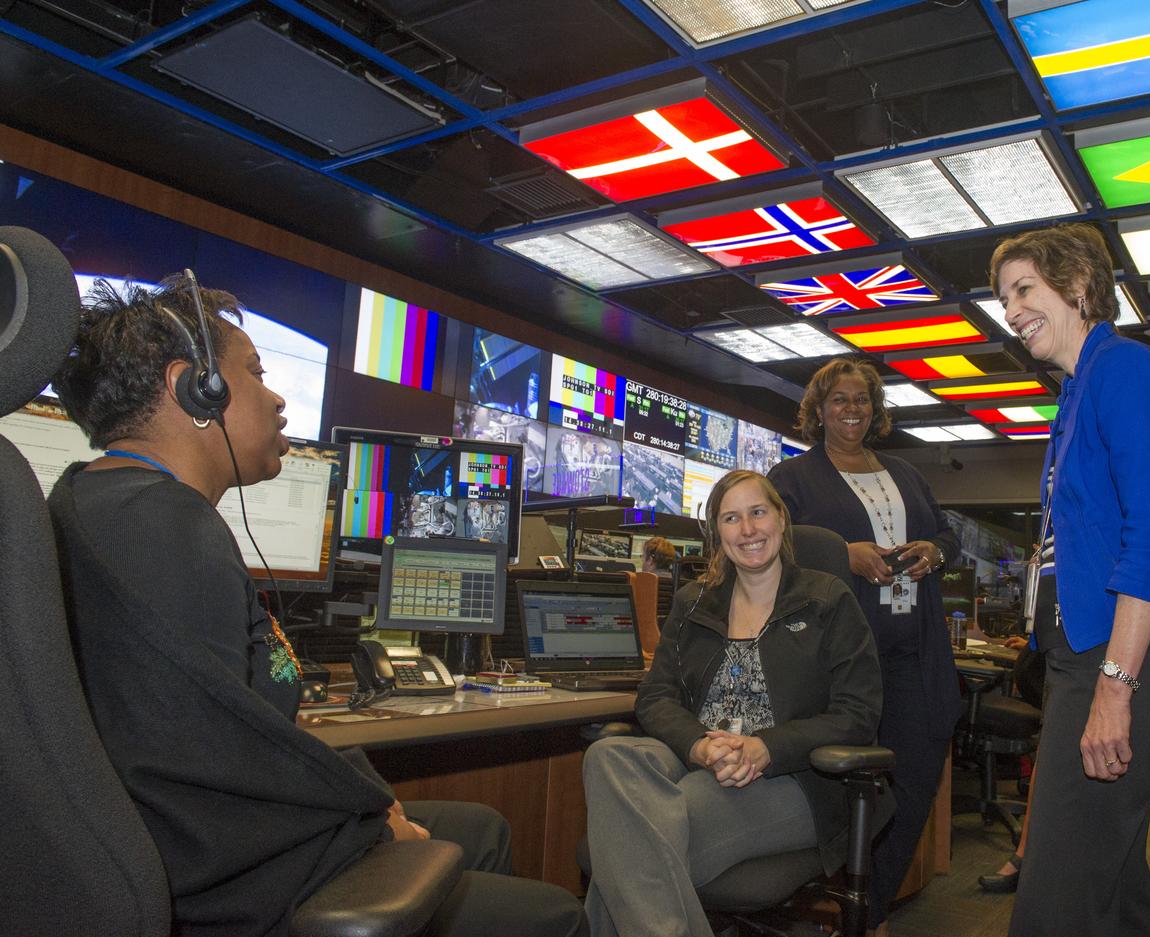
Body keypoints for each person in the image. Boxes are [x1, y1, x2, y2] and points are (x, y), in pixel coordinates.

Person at [47, 277, 587, 937]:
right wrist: (371, 822)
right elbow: (213, 762)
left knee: (479, 827)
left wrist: (371, 808)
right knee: (554, 914)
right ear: (195, 388)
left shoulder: (98, 503)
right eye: (255, 372)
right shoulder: (163, 528)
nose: (277, 398)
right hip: (232, 887)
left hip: (194, 856)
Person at [991, 224, 1150, 937]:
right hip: (1082, 653)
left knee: (1054, 900)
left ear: (1079, 286)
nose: (1011, 310)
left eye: (1024, 289)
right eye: (1005, 298)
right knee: (1114, 882)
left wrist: (1115, 684)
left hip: (1123, 655)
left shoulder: (1128, 369)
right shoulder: (1075, 393)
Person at [581, 470, 882, 937]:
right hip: (698, 758)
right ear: (717, 533)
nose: (747, 530)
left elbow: (858, 714)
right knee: (609, 753)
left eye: (758, 512)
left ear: (780, 520)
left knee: (627, 843)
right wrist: (698, 744)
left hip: (791, 775)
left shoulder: (827, 600)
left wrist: (766, 747)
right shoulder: (694, 601)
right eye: (731, 518)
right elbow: (657, 695)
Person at [767, 357, 962, 935]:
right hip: (839, 665)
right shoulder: (793, 477)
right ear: (819, 411)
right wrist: (840, 552)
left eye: (863, 400)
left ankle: (866, 909)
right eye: (839, 400)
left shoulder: (905, 472)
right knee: (845, 791)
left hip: (914, 655)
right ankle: (838, 908)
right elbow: (769, 543)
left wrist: (936, 548)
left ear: (875, 410)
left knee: (916, 778)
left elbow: (946, 532)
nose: (852, 410)